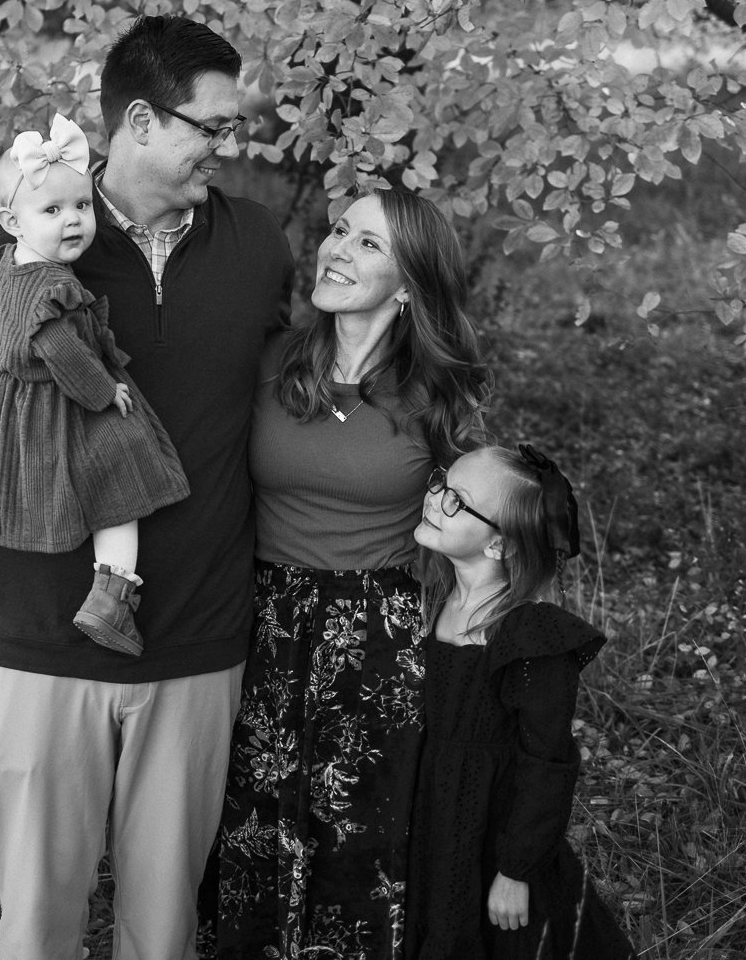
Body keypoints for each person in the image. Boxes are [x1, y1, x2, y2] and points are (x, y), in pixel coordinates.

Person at [0, 15, 293, 960]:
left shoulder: (257, 243)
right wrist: (17, 491)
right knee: (38, 929)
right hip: (38, 640)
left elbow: (286, 404)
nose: (225, 144)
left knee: (163, 935)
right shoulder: (31, 245)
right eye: (210, 125)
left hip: (197, 642)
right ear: (141, 121)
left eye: (230, 126)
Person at [204, 188, 488, 960]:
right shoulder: (270, 361)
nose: (337, 249)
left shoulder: (439, 392)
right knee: (248, 825)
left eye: (368, 244)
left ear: (409, 285)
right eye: (339, 230)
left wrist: (472, 641)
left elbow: (480, 529)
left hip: (377, 639)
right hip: (258, 621)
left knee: (358, 838)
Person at [0, 112, 190, 654]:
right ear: (12, 221)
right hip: (49, 405)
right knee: (120, 478)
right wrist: (103, 391)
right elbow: (62, 350)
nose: (74, 221)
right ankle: (111, 599)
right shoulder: (54, 285)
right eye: (53, 211)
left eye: (82, 206)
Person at [405, 443, 635, 960]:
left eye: (456, 501)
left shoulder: (528, 637)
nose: (434, 499)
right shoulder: (433, 599)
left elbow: (547, 764)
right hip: (434, 821)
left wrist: (516, 871)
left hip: (495, 832)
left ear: (498, 546)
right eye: (441, 483)